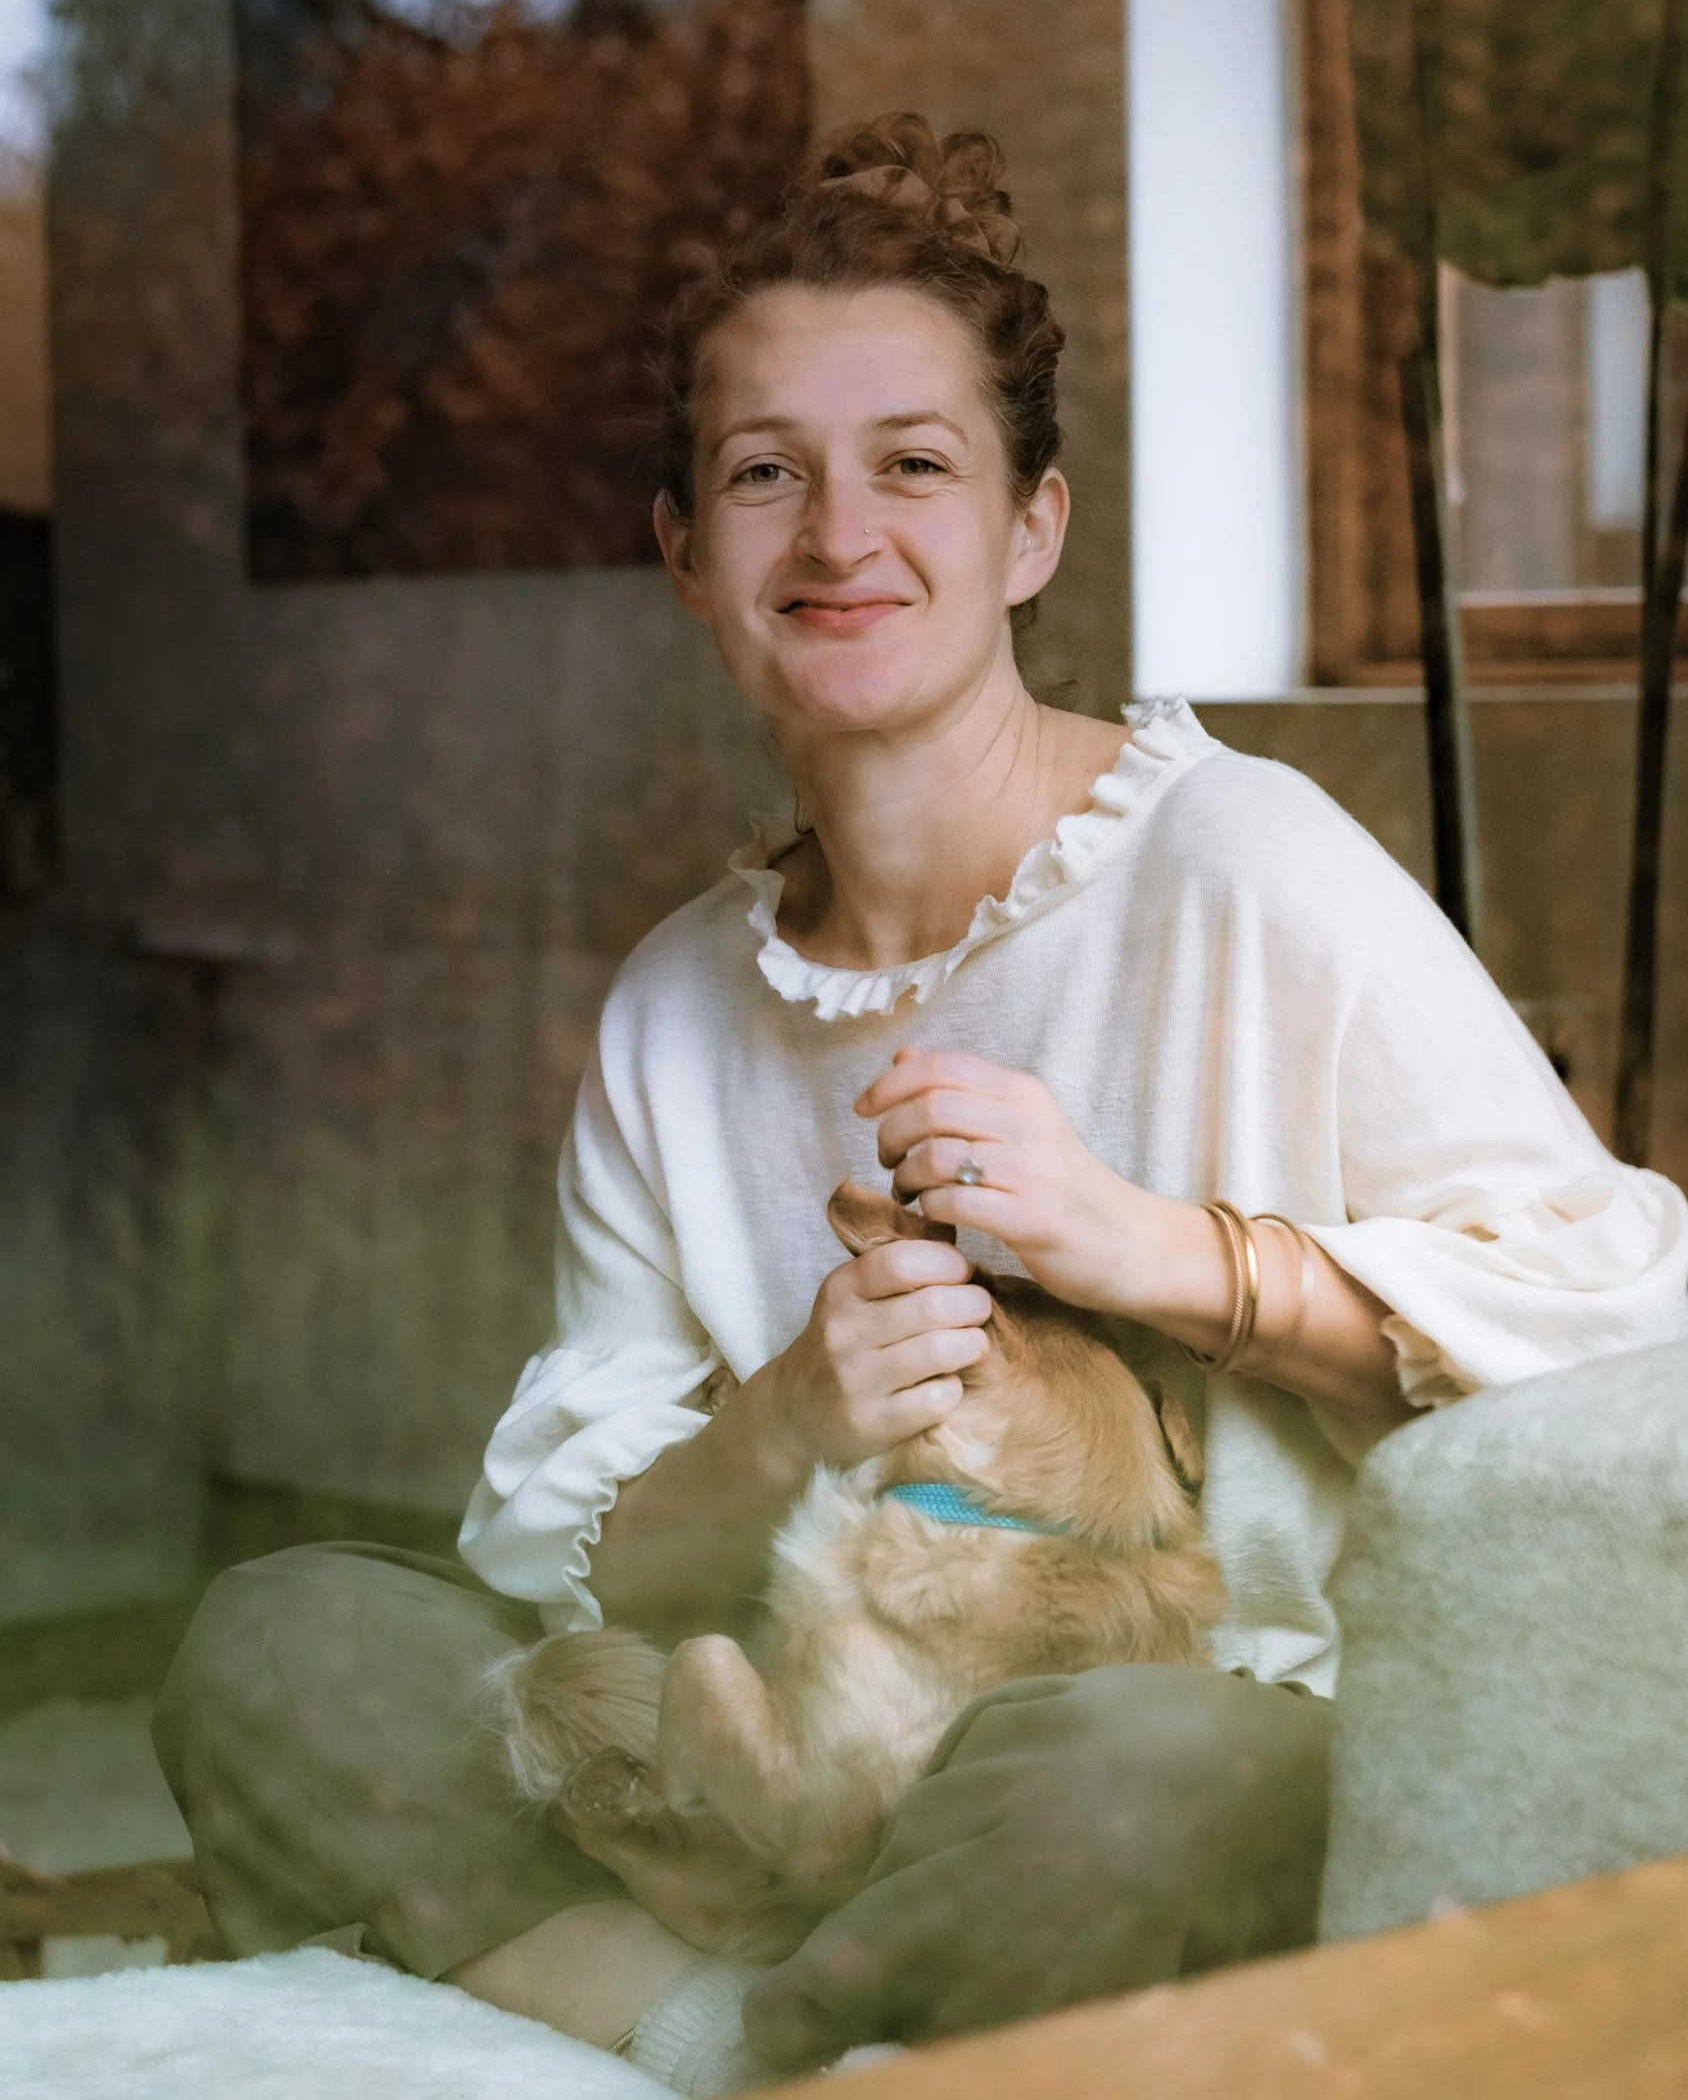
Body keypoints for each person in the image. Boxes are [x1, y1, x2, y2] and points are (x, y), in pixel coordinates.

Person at [156, 115, 1688, 2093]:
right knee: (286, 1643)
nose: (837, 535)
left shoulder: (1238, 861)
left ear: (1029, 530)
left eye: (914, 466)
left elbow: (1631, 1327)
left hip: (1108, 1759)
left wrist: (1171, 1257)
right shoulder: (672, 1011)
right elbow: (582, 1563)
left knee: (1172, 1783)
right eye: (762, 474)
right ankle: (820, 2039)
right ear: (684, 552)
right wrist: (790, 1415)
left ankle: (700, 2032)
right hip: (752, 1767)